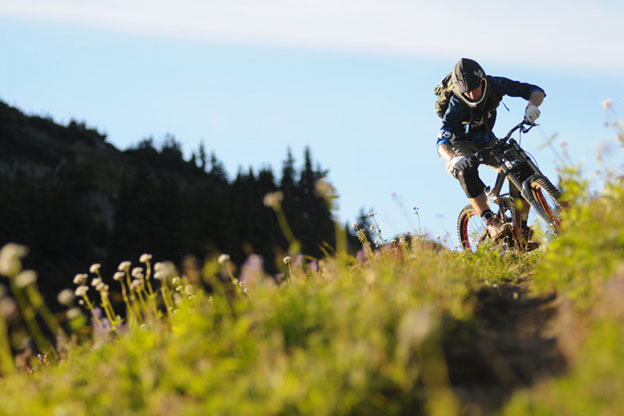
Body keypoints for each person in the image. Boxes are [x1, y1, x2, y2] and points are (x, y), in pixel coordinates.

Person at [436, 58, 545, 241]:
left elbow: (535, 91)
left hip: (487, 140)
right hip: (461, 145)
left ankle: (522, 227)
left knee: (520, 166)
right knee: (465, 170)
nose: (471, 95)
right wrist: (452, 158)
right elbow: (441, 141)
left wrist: (532, 106)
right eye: (466, 92)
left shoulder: (496, 84)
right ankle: (491, 222)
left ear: (482, 81)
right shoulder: (456, 105)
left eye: (474, 89)